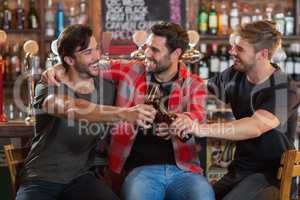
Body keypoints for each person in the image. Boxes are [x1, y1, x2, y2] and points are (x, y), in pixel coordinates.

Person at [41, 22, 215, 200]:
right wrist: (59, 67)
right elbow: (90, 65)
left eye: (155, 50)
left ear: (176, 53)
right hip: (141, 170)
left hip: (185, 170)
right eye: (147, 47)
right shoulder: (132, 69)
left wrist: (181, 121)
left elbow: (197, 116)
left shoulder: (194, 83)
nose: (147, 53)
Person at [16, 24, 156, 200]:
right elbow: (69, 108)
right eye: (88, 52)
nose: (97, 56)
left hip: (80, 178)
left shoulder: (107, 85)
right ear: (69, 60)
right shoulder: (49, 85)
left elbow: (145, 66)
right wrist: (123, 113)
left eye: (96, 48)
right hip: (41, 178)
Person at [171, 20, 300, 200]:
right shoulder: (235, 74)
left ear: (262, 54)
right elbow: (202, 88)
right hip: (241, 170)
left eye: (239, 49)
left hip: (272, 176)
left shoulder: (284, 88)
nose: (232, 52)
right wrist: (177, 76)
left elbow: (255, 127)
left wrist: (200, 128)